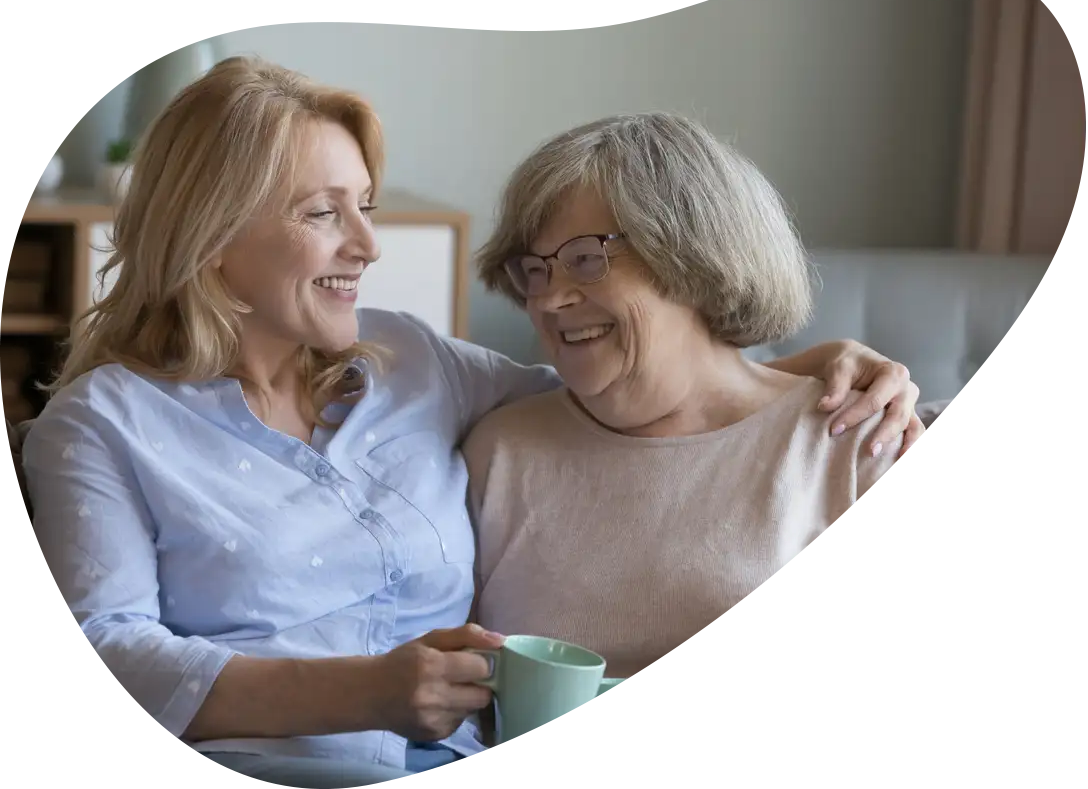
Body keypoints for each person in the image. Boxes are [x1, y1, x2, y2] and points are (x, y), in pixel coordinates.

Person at [22, 58, 924, 789]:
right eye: (323, 213)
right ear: (211, 236)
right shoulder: (101, 426)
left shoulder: (411, 361)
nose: (367, 246)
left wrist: (806, 374)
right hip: (263, 764)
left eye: (366, 206)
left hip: (467, 766)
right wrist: (363, 693)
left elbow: (624, 386)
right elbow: (99, 656)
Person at [465, 112, 919, 684]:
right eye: (536, 270)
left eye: (586, 259)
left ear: (690, 256)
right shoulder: (498, 451)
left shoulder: (855, 439)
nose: (550, 300)